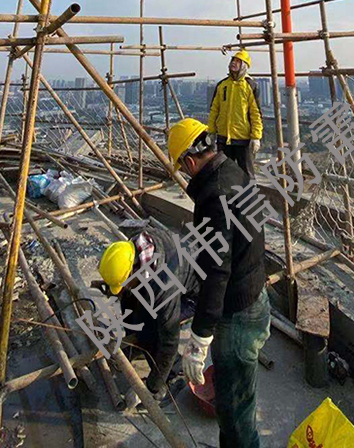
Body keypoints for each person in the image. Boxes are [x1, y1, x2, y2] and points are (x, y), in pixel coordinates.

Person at [169, 117, 270, 448]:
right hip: (253, 291)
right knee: (235, 400)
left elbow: (217, 272)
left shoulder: (214, 195)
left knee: (236, 411)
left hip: (238, 312)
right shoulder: (233, 171)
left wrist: (198, 340)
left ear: (189, 161)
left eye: (183, 168)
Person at [98, 225, 196, 404]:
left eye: (126, 282)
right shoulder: (135, 246)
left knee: (153, 330)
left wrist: (151, 387)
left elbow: (170, 342)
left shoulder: (163, 290)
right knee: (130, 299)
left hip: (193, 296)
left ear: (135, 270)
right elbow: (127, 293)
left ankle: (173, 375)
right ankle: (137, 346)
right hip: (175, 271)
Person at [207, 49, 263, 178]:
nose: (234, 63)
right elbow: (214, 109)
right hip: (223, 138)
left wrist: (256, 136)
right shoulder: (222, 85)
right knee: (224, 172)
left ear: (244, 66)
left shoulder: (250, 86)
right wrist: (211, 130)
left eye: (238, 61)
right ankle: (228, 198)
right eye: (233, 60)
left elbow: (256, 113)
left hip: (243, 139)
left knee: (246, 173)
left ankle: (249, 197)